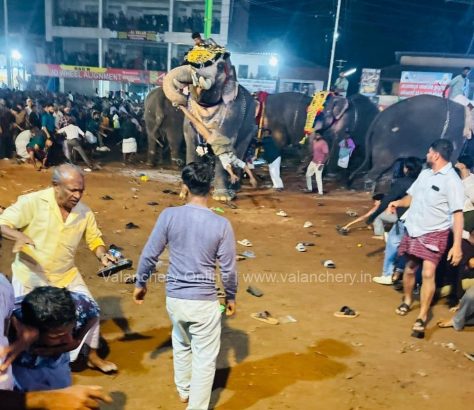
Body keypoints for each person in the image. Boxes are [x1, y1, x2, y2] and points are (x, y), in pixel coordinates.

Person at [133, 161, 238, 409]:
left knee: (180, 342)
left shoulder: (169, 216)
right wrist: (231, 297)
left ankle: (184, 390)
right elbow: (229, 269)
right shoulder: (221, 224)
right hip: (204, 301)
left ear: (184, 187)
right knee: (204, 358)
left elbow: (150, 254)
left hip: (176, 300)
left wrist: (140, 282)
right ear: (211, 188)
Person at [0, 164, 118, 373]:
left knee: (92, 311)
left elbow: (94, 238)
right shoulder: (32, 203)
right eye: (72, 190)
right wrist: (19, 236)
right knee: (29, 326)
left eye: (81, 190)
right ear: (55, 186)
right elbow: (3, 223)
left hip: (66, 274)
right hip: (31, 275)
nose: (77, 195)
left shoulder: (84, 212)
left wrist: (102, 255)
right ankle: (26, 367)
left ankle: (91, 355)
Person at [388, 139, 465, 338]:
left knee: (428, 273)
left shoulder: (452, 181)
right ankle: (407, 300)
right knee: (410, 268)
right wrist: (398, 202)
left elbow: (458, 214)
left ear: (436, 154)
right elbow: (412, 198)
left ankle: (422, 316)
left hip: (435, 233)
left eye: (429, 152)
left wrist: (456, 246)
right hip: (413, 229)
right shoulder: (424, 174)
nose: (427, 154)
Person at [0, 274, 112, 409]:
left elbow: (93, 312)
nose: (68, 340)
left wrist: (77, 340)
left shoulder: (80, 306)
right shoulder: (12, 336)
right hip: (24, 370)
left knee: (65, 396)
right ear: (35, 330)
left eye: (70, 331)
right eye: (57, 336)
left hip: (58, 364)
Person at [177, 104, 258, 188]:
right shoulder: (228, 159)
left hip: (222, 140)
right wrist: (233, 175)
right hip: (217, 140)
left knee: (197, 123)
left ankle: (186, 109)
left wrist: (250, 177)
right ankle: (184, 108)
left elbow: (241, 166)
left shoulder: (233, 159)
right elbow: (230, 166)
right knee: (196, 123)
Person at [371, 157, 424, 285]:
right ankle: (404, 274)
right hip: (421, 220)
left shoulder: (402, 182)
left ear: (407, 169)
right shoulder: (422, 181)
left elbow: (390, 198)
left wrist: (373, 216)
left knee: (393, 243)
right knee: (411, 248)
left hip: (405, 219)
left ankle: (388, 274)